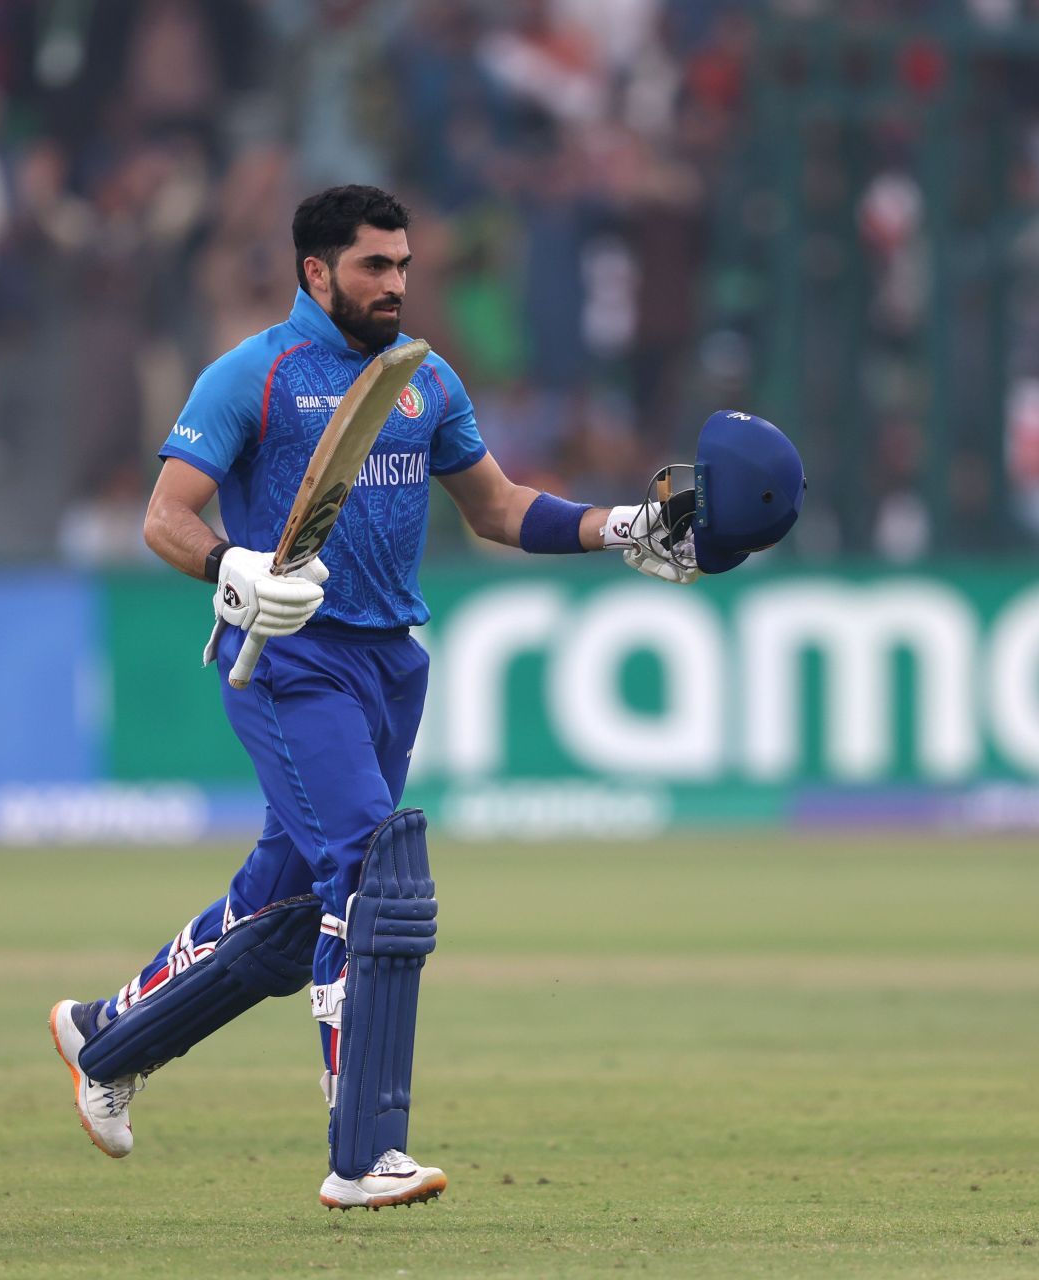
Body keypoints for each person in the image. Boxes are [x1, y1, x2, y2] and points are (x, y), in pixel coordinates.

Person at [48, 185, 800, 1211]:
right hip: (290, 660)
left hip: (391, 664)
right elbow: (164, 515)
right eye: (373, 266)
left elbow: (497, 507)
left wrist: (625, 525)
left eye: (402, 264)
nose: (396, 283)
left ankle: (109, 1035)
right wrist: (235, 566)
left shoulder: (423, 376)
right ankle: (364, 1152)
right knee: (374, 876)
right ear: (316, 271)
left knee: (285, 913)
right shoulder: (253, 374)